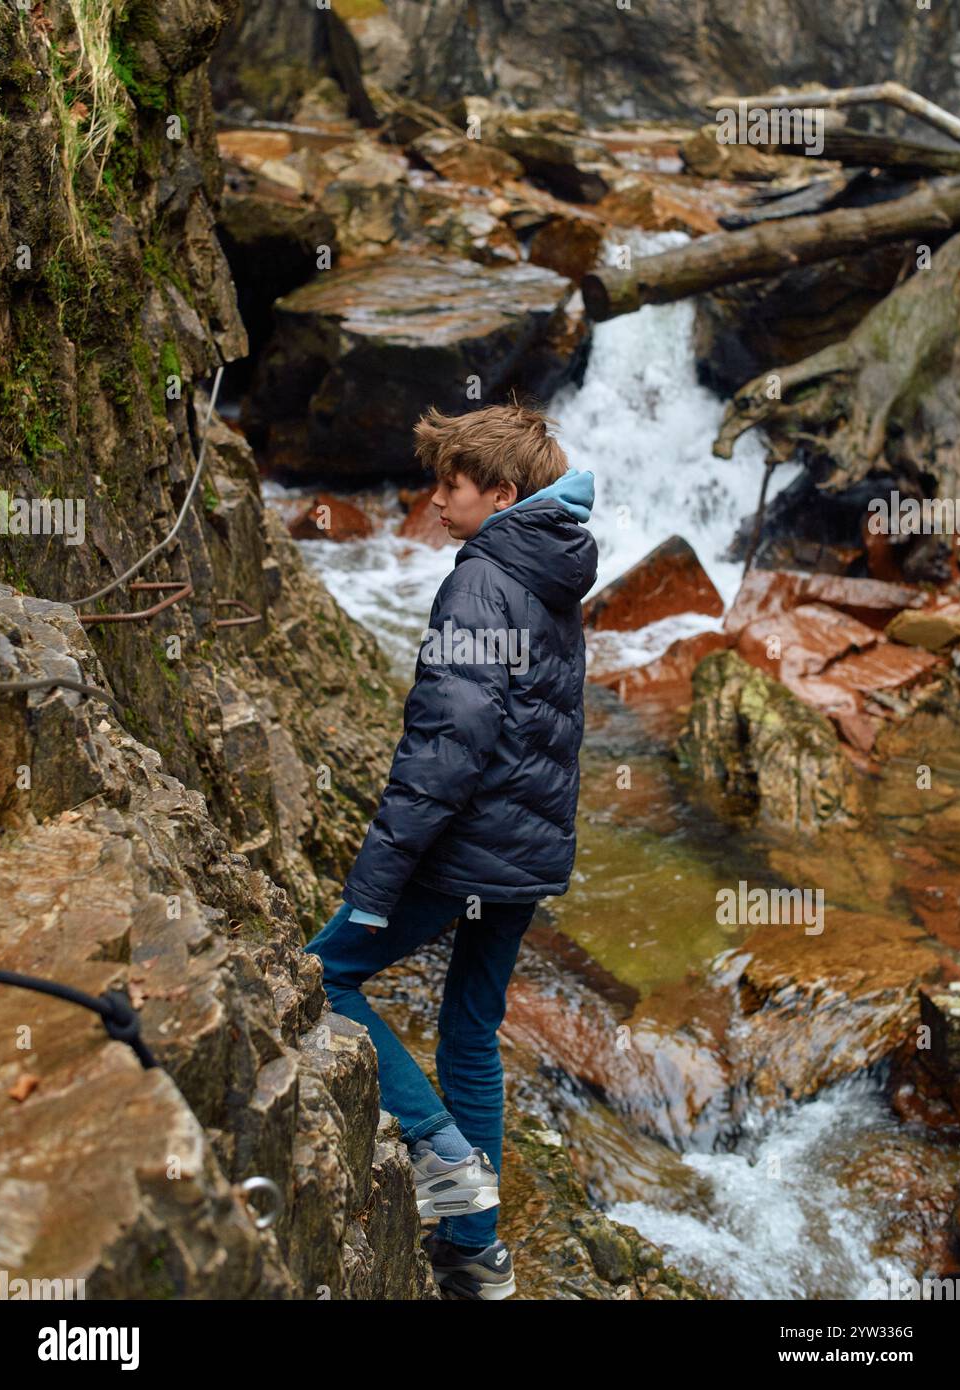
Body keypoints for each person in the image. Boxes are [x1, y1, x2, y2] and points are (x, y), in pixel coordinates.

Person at [306, 401, 598, 1300]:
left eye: (452, 485)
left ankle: (440, 1155)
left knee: (320, 981)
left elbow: (450, 744)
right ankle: (474, 1256)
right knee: (470, 1031)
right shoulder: (551, 572)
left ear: (501, 494)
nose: (433, 503)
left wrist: (376, 882)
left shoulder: (480, 581)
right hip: (526, 853)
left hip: (466, 853)